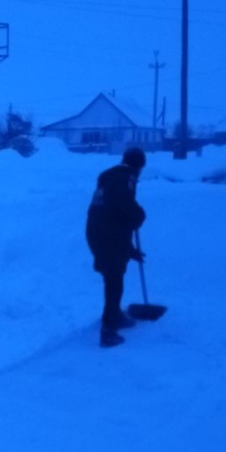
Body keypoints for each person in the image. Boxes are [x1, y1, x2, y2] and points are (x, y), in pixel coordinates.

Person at [86, 147, 147, 348]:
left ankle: (112, 315)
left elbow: (114, 216)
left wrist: (129, 251)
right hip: (107, 235)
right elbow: (122, 206)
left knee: (112, 276)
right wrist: (138, 214)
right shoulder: (125, 178)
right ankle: (109, 329)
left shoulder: (111, 178)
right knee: (114, 279)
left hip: (98, 233)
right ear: (138, 166)